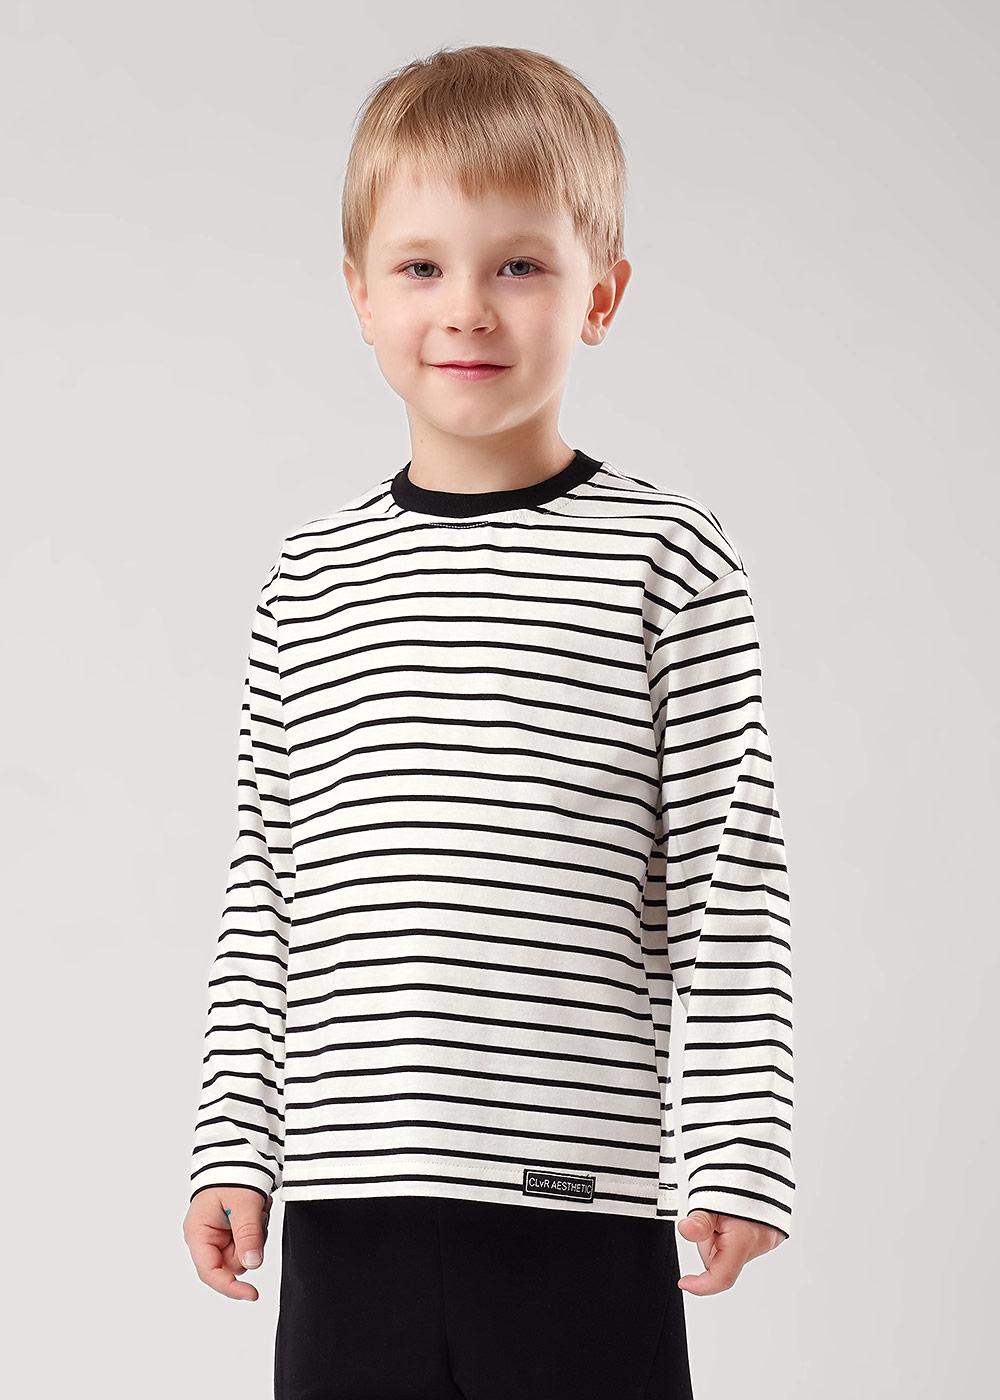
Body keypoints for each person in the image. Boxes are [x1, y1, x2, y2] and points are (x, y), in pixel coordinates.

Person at [182, 42, 795, 1400]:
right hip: (346, 1207)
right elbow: (267, 885)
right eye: (420, 266)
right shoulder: (309, 580)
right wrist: (233, 1143)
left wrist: (740, 1143)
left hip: (572, 1204)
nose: (466, 307)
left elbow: (730, 876)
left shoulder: (667, 562)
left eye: (518, 264)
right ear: (358, 293)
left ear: (601, 296)